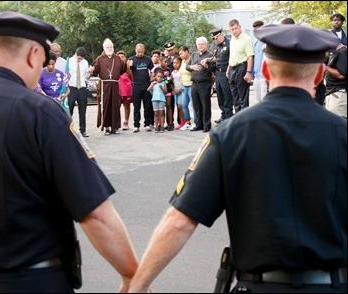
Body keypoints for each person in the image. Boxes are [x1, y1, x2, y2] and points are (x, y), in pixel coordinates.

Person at [128, 24, 346, 293]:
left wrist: (137, 285)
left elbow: (179, 221)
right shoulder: (342, 135)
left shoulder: (230, 134)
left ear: (266, 70)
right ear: (319, 76)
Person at [0, 11, 139, 293]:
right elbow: (95, 214)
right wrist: (132, 274)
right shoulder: (41, 113)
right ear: (33, 54)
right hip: (29, 281)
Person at [89, 38, 125, 135]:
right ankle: (107, 127)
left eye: (111, 47)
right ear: (104, 48)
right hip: (104, 85)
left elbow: (122, 70)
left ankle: (115, 127)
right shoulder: (99, 59)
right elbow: (94, 72)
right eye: (107, 47)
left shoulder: (117, 58)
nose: (109, 48)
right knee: (105, 105)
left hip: (115, 85)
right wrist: (91, 70)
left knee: (116, 105)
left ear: (113, 47)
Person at [186, 36, 215, 132]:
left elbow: (213, 70)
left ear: (206, 45)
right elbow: (187, 66)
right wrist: (192, 66)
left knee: (205, 105)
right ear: (196, 45)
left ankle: (206, 125)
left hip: (204, 83)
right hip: (194, 83)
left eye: (202, 44)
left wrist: (206, 65)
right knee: (196, 105)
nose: (200, 46)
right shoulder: (194, 55)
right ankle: (198, 124)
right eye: (199, 44)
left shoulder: (210, 55)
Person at [227, 19, 254, 113]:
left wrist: (248, 72)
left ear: (240, 26)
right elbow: (232, 56)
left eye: (236, 28)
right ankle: (238, 120)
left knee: (243, 98)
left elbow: (250, 57)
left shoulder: (247, 39)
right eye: (232, 29)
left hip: (241, 68)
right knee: (235, 97)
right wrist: (228, 69)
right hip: (231, 69)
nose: (234, 31)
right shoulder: (232, 40)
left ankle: (244, 122)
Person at [208, 27, 234, 124]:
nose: (214, 41)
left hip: (225, 72)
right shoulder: (218, 46)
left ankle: (228, 115)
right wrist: (207, 60)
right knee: (220, 95)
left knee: (227, 95)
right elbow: (217, 58)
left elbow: (231, 58)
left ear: (220, 35)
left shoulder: (229, 44)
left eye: (215, 38)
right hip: (218, 73)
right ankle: (223, 114)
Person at [127, 43, 154, 133]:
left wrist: (151, 79)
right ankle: (136, 125)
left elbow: (153, 70)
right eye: (138, 52)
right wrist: (129, 66)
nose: (140, 54)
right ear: (135, 50)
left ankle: (147, 124)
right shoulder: (131, 59)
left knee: (147, 106)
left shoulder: (148, 59)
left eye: (141, 52)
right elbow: (129, 74)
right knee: (136, 106)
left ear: (144, 50)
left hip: (146, 85)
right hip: (136, 85)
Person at [67, 47, 90, 137]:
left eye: (81, 58)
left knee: (82, 110)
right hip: (71, 87)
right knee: (70, 110)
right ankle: (68, 129)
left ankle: (83, 130)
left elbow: (86, 77)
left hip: (82, 88)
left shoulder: (85, 63)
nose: (79, 60)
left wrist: (90, 73)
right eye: (78, 58)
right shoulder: (68, 61)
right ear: (75, 54)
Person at [324, 41, 347, 117]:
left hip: (338, 95)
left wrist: (325, 67)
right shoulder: (335, 52)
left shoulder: (343, 52)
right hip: (331, 93)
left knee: (338, 125)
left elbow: (341, 74)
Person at [252, 20, 268, 103]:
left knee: (264, 100)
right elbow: (254, 58)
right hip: (256, 75)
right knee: (258, 99)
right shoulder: (256, 43)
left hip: (264, 76)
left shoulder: (267, 41)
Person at [117, 50, 133, 130]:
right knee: (116, 107)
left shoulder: (128, 67)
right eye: (119, 57)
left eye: (122, 57)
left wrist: (129, 67)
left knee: (127, 106)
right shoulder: (114, 67)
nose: (121, 58)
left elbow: (132, 77)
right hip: (117, 91)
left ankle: (126, 122)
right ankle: (116, 123)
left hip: (127, 91)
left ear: (125, 58)